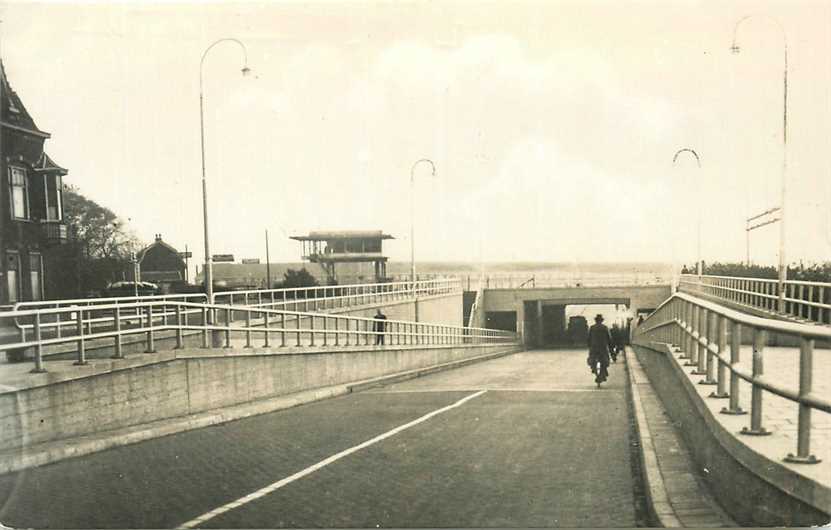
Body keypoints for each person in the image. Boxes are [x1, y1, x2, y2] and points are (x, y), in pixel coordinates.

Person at [587, 314, 613, 386]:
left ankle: (595, 372)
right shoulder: (604, 328)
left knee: (592, 361)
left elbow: (588, 338)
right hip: (602, 348)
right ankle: (602, 374)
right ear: (601, 321)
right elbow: (609, 338)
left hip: (594, 348)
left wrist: (589, 346)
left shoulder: (592, 328)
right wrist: (610, 347)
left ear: (595, 320)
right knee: (605, 361)